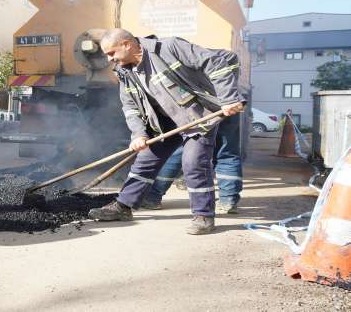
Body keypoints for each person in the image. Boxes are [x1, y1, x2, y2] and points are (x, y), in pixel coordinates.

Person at [88, 28, 244, 235]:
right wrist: (139, 134)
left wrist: (229, 98)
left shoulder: (169, 48)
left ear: (127, 44)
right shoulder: (124, 71)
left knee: (194, 164)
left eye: (111, 53)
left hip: (195, 117)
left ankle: (203, 216)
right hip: (163, 122)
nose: (109, 59)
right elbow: (130, 107)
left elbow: (215, 61)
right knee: (145, 160)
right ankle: (123, 207)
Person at [141, 114, 243, 214]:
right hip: (228, 105)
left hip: (199, 109)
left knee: (181, 150)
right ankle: (228, 200)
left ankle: (153, 197)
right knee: (227, 153)